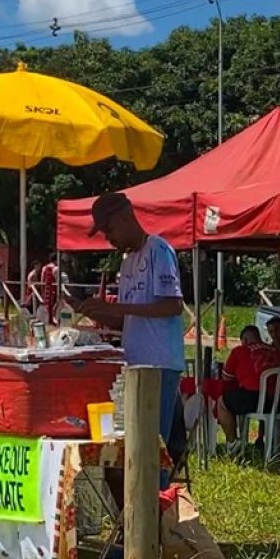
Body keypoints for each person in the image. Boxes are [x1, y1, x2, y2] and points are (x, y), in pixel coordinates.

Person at [77, 192, 185, 486]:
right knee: (133, 445)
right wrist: (99, 313)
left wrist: (116, 308)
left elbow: (172, 305)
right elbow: (129, 319)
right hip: (134, 364)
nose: (108, 238)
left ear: (124, 218)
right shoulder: (126, 263)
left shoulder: (158, 249)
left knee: (153, 445)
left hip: (159, 365)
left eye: (109, 229)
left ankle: (157, 505)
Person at [218, 325, 280, 456]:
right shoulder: (277, 352)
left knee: (222, 402)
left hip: (253, 397)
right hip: (278, 401)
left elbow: (227, 377)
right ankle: (268, 444)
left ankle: (232, 443)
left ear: (244, 340)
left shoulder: (240, 351)